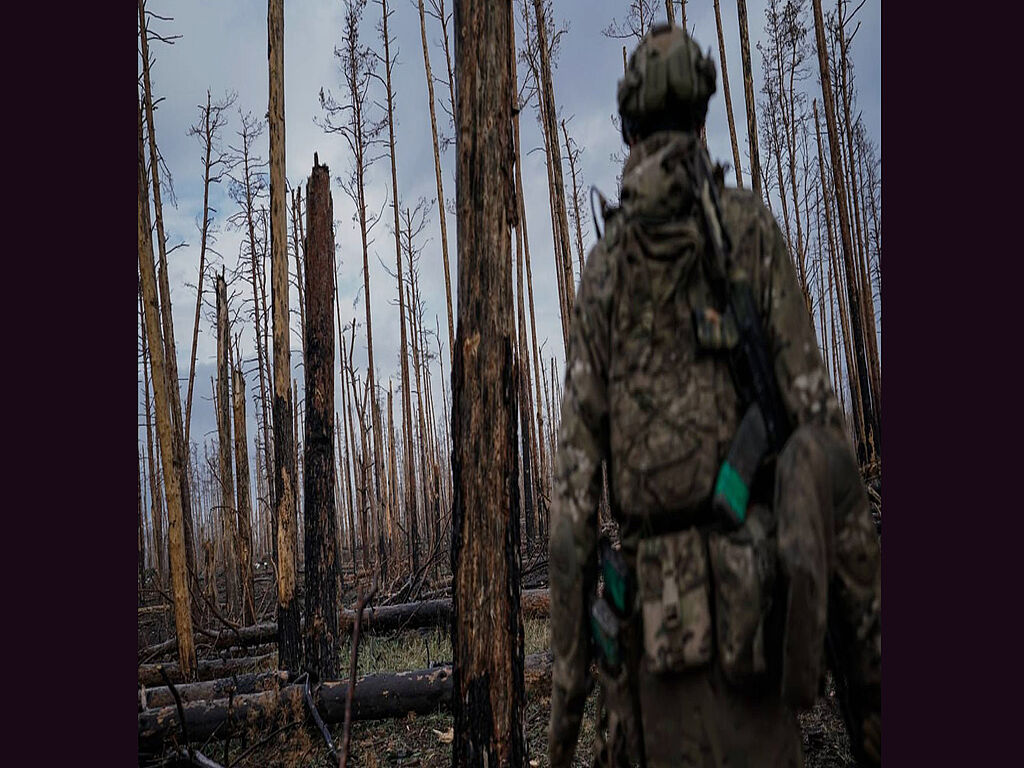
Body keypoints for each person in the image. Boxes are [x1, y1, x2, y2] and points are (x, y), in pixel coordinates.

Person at [547, 22, 881, 768]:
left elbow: (570, 520)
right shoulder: (750, 233)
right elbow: (827, 457)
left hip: (646, 671)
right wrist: (873, 699)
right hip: (751, 661)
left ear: (629, 129)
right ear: (703, 119)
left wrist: (563, 728)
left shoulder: (603, 273)